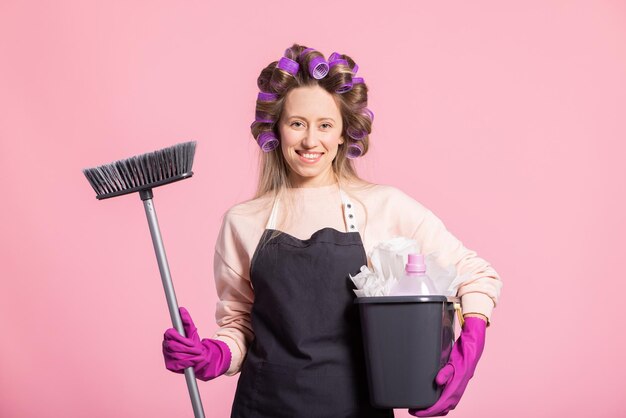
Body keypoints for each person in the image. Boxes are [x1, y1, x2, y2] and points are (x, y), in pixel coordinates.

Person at [162, 43, 502, 418]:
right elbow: (240, 324)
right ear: (276, 129)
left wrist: (471, 340)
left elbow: (476, 274)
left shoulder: (384, 206)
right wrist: (216, 354)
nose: (310, 141)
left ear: (343, 133)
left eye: (325, 125)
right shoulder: (243, 220)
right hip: (263, 409)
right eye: (297, 124)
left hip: (357, 409)